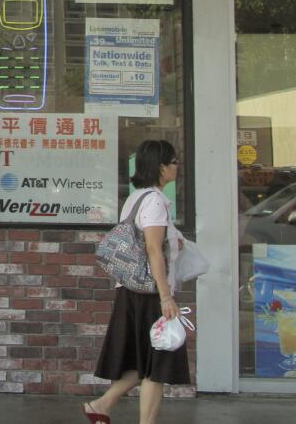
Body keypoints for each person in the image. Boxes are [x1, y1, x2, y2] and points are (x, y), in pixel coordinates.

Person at [84, 139, 188, 424]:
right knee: (158, 364)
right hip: (149, 292)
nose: (177, 167)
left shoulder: (137, 197)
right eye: (174, 162)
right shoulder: (154, 202)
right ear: (161, 167)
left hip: (133, 291)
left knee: (145, 361)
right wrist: (166, 297)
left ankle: (102, 404)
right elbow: (153, 249)